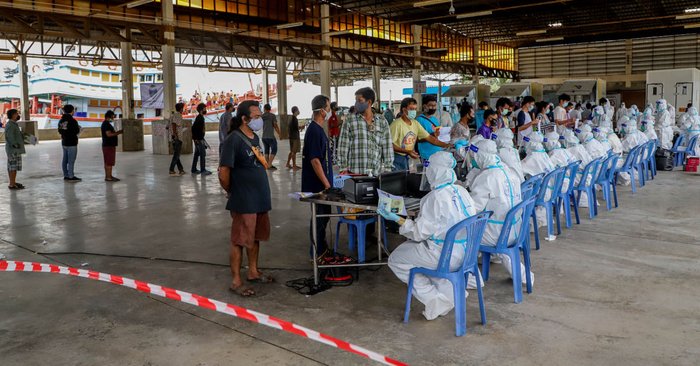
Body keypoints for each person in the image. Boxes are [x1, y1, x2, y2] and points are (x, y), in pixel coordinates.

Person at [380, 151, 478, 321]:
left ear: (434, 172)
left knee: (396, 259)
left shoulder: (433, 198)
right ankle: (453, 293)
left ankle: (435, 300)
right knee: (417, 257)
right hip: (466, 253)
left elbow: (418, 234)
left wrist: (398, 219)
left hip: (444, 255)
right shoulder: (462, 191)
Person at [219, 100, 272, 297]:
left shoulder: (255, 138)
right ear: (244, 119)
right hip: (244, 199)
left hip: (259, 198)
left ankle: (253, 271)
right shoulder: (233, 140)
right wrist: (232, 190)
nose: (259, 120)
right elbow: (224, 172)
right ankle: (236, 280)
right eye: (256, 117)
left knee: (255, 237)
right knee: (239, 240)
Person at [469, 139, 532, 284]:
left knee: (459, 233)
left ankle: (472, 280)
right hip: (515, 230)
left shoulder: (486, 177)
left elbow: (473, 209)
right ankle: (521, 274)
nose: (474, 160)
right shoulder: (509, 171)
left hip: (498, 234)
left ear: (481, 157)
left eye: (475, 157)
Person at [302, 95, 334, 258]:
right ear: (322, 111)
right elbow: (315, 160)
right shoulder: (314, 130)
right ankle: (316, 252)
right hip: (318, 186)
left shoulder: (318, 129)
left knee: (324, 217)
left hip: (322, 183)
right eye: (328, 108)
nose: (330, 111)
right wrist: (326, 184)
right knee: (319, 219)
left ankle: (321, 248)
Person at [337, 87, 393, 174]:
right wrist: (343, 167)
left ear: (369, 102)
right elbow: (343, 145)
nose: (356, 104)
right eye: (356, 100)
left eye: (360, 100)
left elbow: (387, 146)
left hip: (375, 173)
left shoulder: (382, 121)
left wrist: (388, 168)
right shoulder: (350, 120)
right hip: (355, 173)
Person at [390, 97, 446, 171]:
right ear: (404, 110)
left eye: (415, 109)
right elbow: (390, 145)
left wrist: (447, 145)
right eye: (411, 109)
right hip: (397, 158)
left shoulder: (415, 123)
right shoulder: (396, 124)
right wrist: (407, 151)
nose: (414, 111)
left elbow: (430, 138)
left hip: (407, 156)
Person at [416, 94, 446, 161]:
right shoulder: (419, 120)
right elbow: (417, 139)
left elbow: (438, 133)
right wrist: (431, 136)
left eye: (434, 106)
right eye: (431, 105)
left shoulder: (434, 119)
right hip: (427, 154)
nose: (433, 108)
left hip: (438, 152)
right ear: (424, 106)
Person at [58, 104, 81, 182]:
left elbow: (60, 131)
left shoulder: (61, 120)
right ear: (72, 111)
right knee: (71, 160)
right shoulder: (72, 121)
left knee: (65, 159)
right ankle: (71, 176)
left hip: (64, 142)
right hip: (72, 143)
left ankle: (66, 175)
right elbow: (76, 131)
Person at [4, 109, 25, 190]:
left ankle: (12, 182)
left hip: (14, 149)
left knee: (12, 167)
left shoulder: (13, 124)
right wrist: (16, 146)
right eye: (16, 113)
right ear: (12, 115)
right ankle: (12, 184)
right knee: (13, 167)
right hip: (13, 150)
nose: (17, 115)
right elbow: (10, 137)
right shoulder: (10, 125)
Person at [101, 111, 123, 182]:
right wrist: (118, 132)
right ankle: (109, 177)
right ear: (109, 117)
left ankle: (108, 176)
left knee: (107, 162)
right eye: (112, 117)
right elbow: (109, 134)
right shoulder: (106, 124)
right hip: (108, 145)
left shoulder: (106, 124)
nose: (113, 118)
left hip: (107, 145)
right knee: (109, 162)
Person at [191, 103, 211, 175]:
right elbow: (193, 129)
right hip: (199, 139)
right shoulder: (200, 118)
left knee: (197, 154)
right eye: (205, 108)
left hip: (199, 139)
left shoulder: (200, 117)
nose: (206, 110)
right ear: (201, 109)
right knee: (202, 154)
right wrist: (196, 139)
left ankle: (193, 169)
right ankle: (203, 170)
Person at [261, 104, 281, 170]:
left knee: (266, 150)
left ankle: (267, 164)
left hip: (264, 136)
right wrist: (279, 133)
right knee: (274, 149)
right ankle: (269, 164)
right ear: (270, 109)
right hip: (270, 136)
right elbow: (275, 125)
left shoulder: (262, 116)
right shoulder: (272, 116)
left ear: (264, 109)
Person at [169, 102, 187, 176]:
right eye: (182, 108)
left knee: (177, 154)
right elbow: (174, 124)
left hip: (174, 137)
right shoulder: (178, 115)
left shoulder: (173, 115)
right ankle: (171, 169)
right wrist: (175, 135)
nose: (183, 110)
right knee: (176, 155)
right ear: (180, 109)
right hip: (177, 138)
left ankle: (181, 169)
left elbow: (169, 125)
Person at [286, 106, 303, 170]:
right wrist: (301, 127)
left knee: (292, 151)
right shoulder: (294, 119)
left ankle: (288, 163)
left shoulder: (291, 118)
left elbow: (291, 128)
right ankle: (294, 166)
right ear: (296, 111)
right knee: (294, 152)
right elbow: (296, 128)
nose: (299, 111)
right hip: (295, 137)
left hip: (291, 137)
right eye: (298, 110)